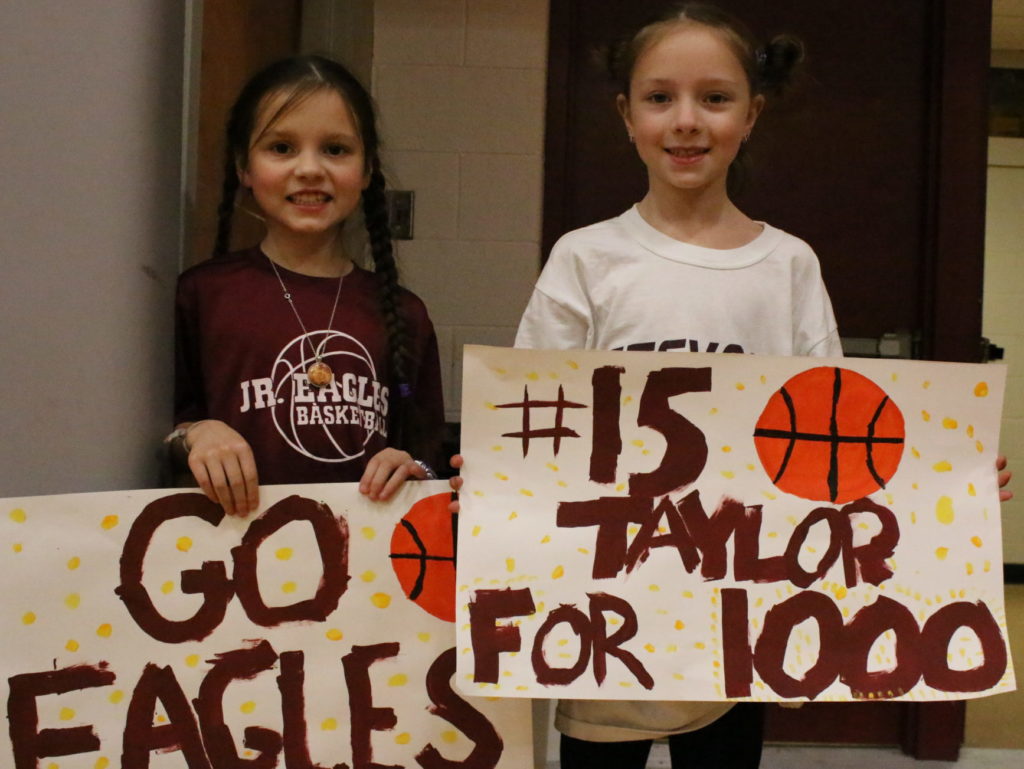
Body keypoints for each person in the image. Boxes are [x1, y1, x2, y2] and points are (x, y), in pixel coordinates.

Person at [445, 3, 1012, 767]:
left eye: (714, 98)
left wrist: (941, 478)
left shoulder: (788, 266)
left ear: (752, 114)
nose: (686, 120)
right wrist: (495, 475)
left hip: (737, 616)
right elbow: (538, 419)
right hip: (606, 608)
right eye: (660, 97)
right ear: (626, 115)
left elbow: (834, 432)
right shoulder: (586, 258)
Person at [168, 55, 445, 517]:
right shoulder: (201, 294)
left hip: (362, 553)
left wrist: (411, 468)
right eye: (282, 148)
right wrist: (196, 433)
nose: (310, 169)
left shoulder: (404, 313)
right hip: (230, 549)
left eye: (335, 149)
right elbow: (154, 436)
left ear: (367, 169)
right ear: (244, 167)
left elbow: (429, 460)